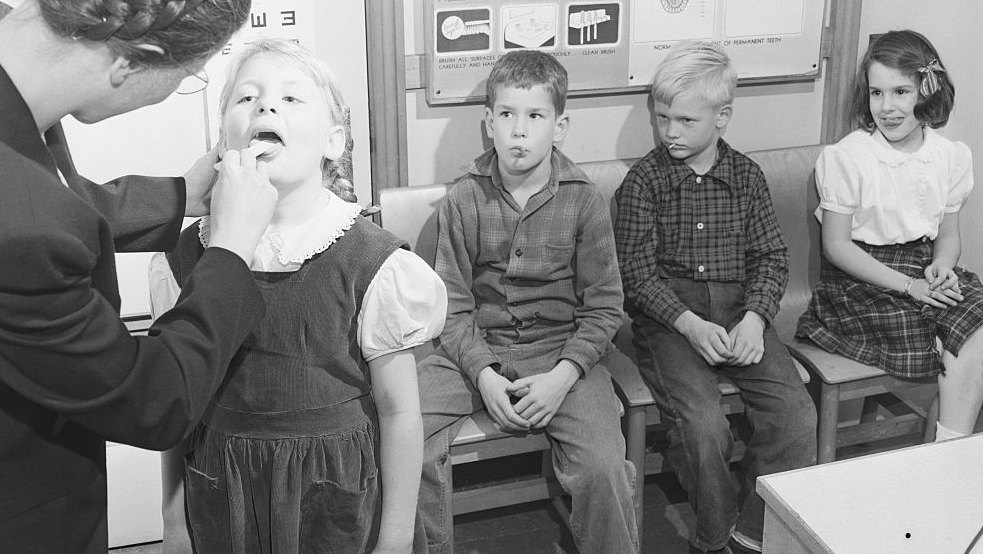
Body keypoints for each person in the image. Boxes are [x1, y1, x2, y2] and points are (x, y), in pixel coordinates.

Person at [0, 0, 279, 553]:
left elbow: (43, 189)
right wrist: (231, 251)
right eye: (189, 76)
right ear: (135, 60)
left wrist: (177, 198)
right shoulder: (11, 228)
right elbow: (150, 400)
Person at [151, 39, 448, 554]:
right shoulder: (187, 258)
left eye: (291, 99)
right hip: (222, 492)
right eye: (247, 98)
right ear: (224, 141)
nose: (266, 106)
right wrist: (173, 521)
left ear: (333, 142)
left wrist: (395, 539)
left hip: (337, 502)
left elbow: (400, 411)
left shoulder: (371, 263)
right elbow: (177, 401)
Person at [415, 50, 638, 554]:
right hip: (471, 348)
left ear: (559, 126)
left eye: (535, 116)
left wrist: (564, 377)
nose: (519, 132)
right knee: (405, 439)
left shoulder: (583, 199)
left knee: (604, 467)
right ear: (488, 122)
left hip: (561, 352)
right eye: (507, 116)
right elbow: (450, 306)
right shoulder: (463, 199)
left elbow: (604, 308)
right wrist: (484, 373)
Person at [614, 41, 816, 554]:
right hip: (671, 322)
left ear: (722, 117)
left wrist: (754, 319)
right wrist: (687, 323)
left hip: (740, 310)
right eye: (663, 119)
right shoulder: (644, 182)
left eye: (685, 120)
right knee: (703, 427)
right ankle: (713, 535)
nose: (671, 132)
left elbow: (771, 258)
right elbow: (636, 274)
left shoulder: (746, 177)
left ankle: (752, 531)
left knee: (795, 416)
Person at [797, 30, 983, 442]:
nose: (887, 107)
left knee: (977, 321)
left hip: (920, 265)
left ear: (927, 90)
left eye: (901, 92)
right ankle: (950, 454)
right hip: (863, 280)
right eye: (876, 93)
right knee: (961, 335)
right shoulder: (849, 157)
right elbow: (837, 246)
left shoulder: (950, 156)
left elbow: (948, 235)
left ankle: (946, 448)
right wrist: (910, 286)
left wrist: (941, 266)